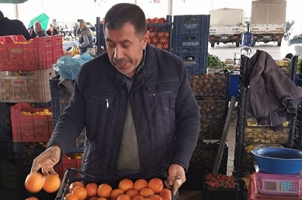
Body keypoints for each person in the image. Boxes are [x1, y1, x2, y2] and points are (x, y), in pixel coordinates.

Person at [31, 3, 200, 189]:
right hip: (100, 182)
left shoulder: (170, 69)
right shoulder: (91, 73)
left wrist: (180, 161)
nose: (117, 55)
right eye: (110, 44)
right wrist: (56, 146)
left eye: (125, 45)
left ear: (145, 39)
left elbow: (189, 117)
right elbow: (73, 115)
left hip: (156, 182)